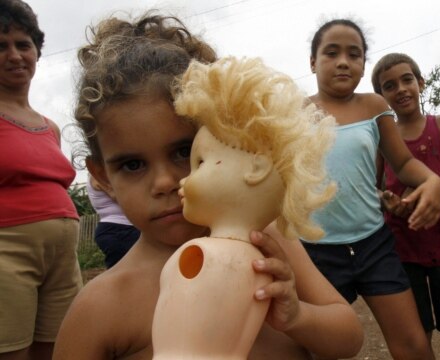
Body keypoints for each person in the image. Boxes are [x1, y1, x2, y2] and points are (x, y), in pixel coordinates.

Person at [52, 14, 363, 360]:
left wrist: (298, 316)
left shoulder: (270, 245)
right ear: (103, 178)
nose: (165, 182)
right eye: (133, 165)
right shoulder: (102, 305)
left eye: (186, 152)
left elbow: (348, 338)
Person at [302, 19, 440, 360]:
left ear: (364, 64)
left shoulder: (375, 107)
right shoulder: (295, 113)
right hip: (315, 251)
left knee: (413, 346)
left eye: (354, 54)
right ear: (312, 62)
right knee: (316, 348)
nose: (343, 62)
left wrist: (432, 181)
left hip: (374, 245)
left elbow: (403, 163)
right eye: (331, 52)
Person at [371, 52, 440, 360]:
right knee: (419, 330)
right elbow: (374, 186)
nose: (401, 89)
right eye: (389, 86)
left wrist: (429, 184)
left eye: (407, 80)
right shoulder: (383, 136)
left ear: (421, 83)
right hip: (401, 245)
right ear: (381, 97)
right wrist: (388, 202)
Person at [0, 1, 82, 359]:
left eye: (23, 44)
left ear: (36, 51)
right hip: (7, 256)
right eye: (0, 46)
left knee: (59, 349)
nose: (15, 55)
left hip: (62, 258)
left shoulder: (49, 126)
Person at [86, 174, 140, 268]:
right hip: (117, 230)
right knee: (126, 271)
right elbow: (118, 195)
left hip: (124, 228)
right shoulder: (97, 176)